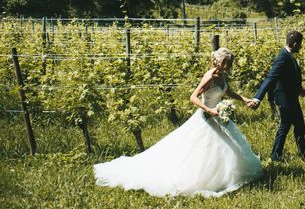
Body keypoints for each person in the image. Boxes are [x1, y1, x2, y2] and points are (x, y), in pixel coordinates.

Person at [94, 48, 262, 197]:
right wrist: (209, 110)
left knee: (229, 147)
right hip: (207, 117)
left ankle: (227, 178)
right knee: (202, 152)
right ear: (219, 62)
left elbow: (228, 92)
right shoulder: (209, 77)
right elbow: (193, 97)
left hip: (219, 117)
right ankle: (203, 180)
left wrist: (245, 99)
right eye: (226, 63)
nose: (228, 66)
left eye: (229, 63)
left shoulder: (223, 76)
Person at [248, 30, 305, 162]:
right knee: (290, 126)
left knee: (293, 126)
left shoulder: (288, 55)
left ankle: (281, 155)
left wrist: (299, 88)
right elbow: (270, 78)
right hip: (285, 99)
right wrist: (257, 98)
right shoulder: (282, 57)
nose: (301, 47)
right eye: (300, 44)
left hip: (291, 97)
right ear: (295, 44)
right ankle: (290, 155)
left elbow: (289, 77)